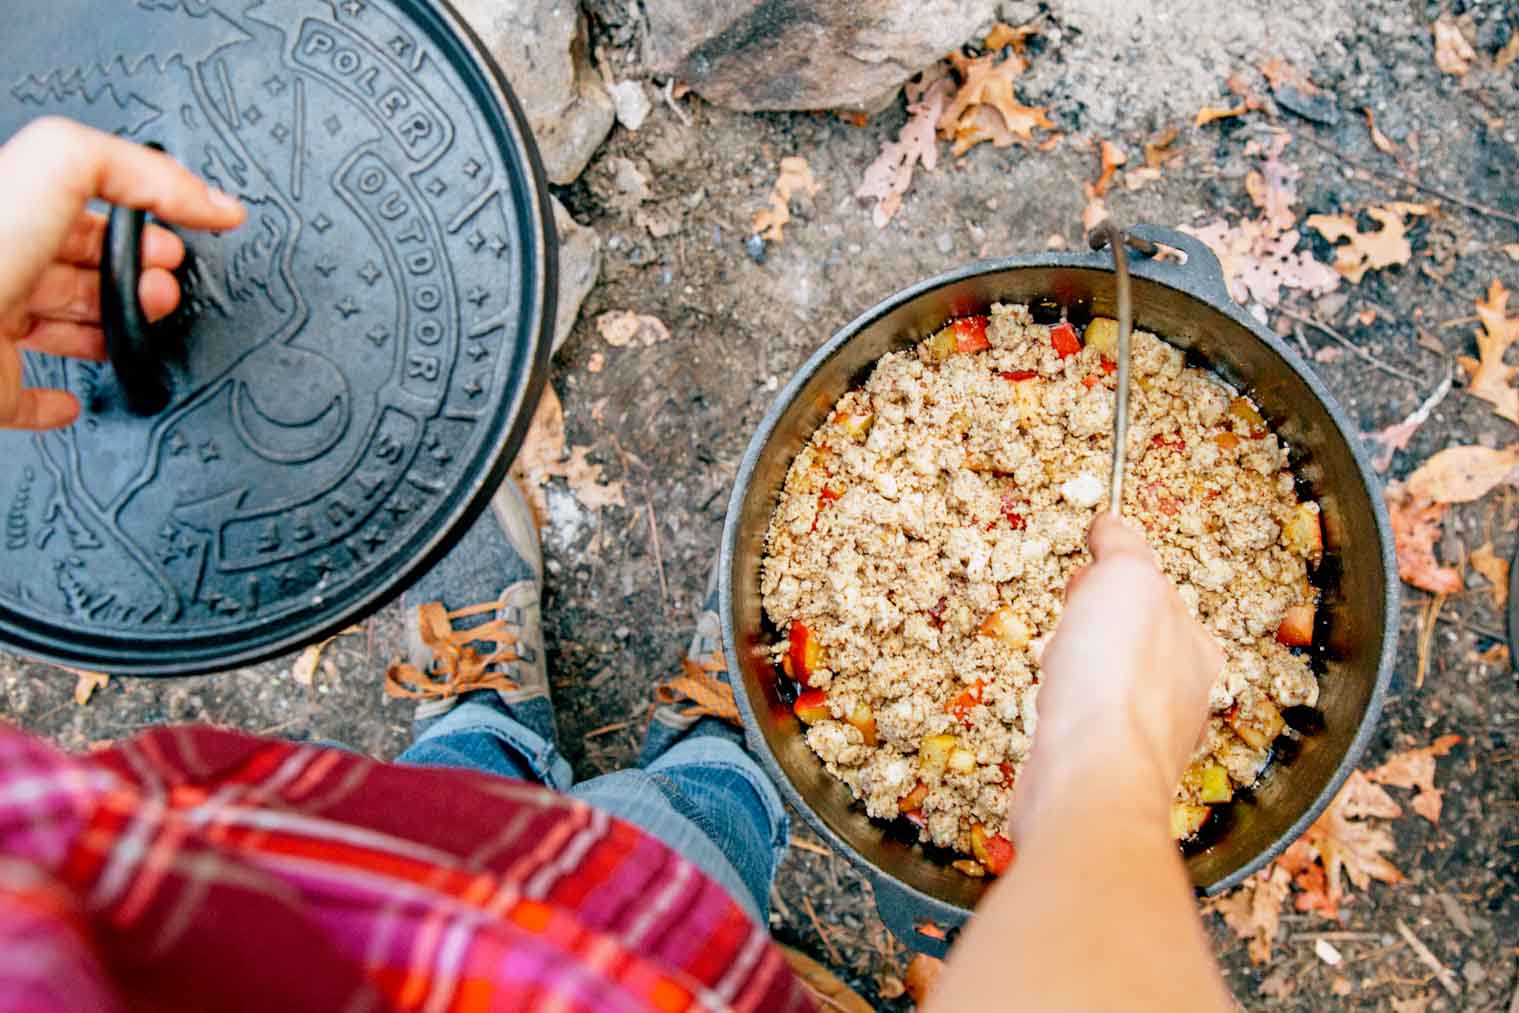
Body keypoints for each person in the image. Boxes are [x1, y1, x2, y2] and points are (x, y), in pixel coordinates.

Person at [0, 119, 1235, 1012]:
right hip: (599, 980)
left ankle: (480, 727)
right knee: (664, 839)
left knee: (431, 802)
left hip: (241, 887)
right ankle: (718, 762)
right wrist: (1108, 759)